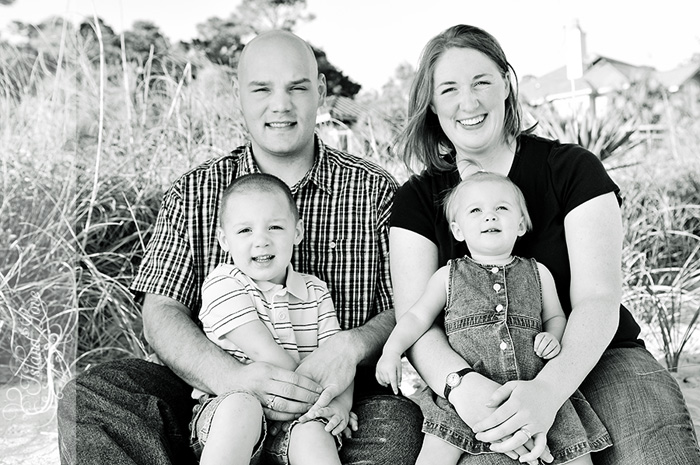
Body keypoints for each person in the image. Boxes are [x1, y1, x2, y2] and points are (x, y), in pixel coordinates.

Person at [57, 30, 423, 465]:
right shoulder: (196, 190)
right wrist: (232, 378)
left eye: (297, 87)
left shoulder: (374, 189)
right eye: (262, 88)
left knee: (399, 427)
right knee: (97, 395)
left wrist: (351, 348)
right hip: (215, 395)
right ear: (238, 94)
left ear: (320, 91)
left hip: (334, 397)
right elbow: (161, 312)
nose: (281, 104)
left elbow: (402, 307)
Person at [389, 23, 700, 465]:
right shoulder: (417, 200)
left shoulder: (572, 169)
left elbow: (597, 298)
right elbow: (416, 319)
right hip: (480, 375)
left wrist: (549, 391)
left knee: (656, 456)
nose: (469, 102)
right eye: (450, 89)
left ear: (506, 87)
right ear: (431, 104)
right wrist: (462, 387)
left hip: (598, 355)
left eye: (482, 82)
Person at [376, 171, 611, 465]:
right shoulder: (447, 276)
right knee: (435, 454)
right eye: (476, 210)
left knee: (574, 453)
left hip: (532, 387)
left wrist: (553, 336)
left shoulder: (539, 273)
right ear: (457, 230)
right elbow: (416, 317)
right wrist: (392, 350)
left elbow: (555, 317)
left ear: (521, 224)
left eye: (501, 208)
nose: (490, 217)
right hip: (465, 398)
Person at [193, 173, 355, 465]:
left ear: (297, 232)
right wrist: (320, 397)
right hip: (233, 409)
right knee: (241, 408)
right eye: (245, 231)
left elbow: (337, 361)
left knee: (315, 436)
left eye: (275, 227)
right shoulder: (223, 283)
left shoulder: (315, 291)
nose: (261, 241)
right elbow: (262, 352)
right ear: (223, 239)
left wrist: (339, 405)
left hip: (303, 416)